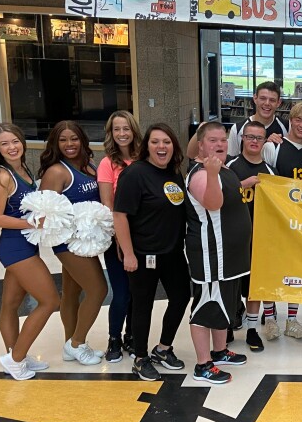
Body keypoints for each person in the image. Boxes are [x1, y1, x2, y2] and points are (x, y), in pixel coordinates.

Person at [113, 123, 192, 382]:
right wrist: (129, 254)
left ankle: (163, 348)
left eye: (167, 142)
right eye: (156, 142)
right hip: (143, 253)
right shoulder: (134, 174)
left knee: (181, 297)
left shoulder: (173, 173)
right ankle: (140, 357)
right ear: (146, 145)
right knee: (142, 306)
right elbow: (120, 215)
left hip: (172, 252)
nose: (161, 147)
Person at [0, 123, 60, 380]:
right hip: (15, 247)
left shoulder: (24, 170)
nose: (12, 147)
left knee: (11, 304)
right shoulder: (3, 177)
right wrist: (29, 223)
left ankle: (16, 354)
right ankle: (15, 358)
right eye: (5, 144)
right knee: (50, 301)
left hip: (27, 244)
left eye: (15, 141)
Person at [185, 122, 251, 384]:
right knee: (206, 306)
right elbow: (213, 202)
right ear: (200, 145)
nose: (220, 144)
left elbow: (229, 194)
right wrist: (212, 174)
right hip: (212, 257)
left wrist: (247, 181)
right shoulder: (202, 174)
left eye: (223, 140)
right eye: (212, 140)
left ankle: (220, 350)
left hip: (229, 258)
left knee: (223, 303)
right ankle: (203, 365)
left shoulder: (222, 169)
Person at [39, 121, 108, 365]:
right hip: (68, 243)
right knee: (99, 289)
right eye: (63, 140)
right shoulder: (57, 172)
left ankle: (70, 345)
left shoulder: (89, 164)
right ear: (55, 144)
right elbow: (43, 213)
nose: (70, 144)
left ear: (83, 140)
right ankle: (78, 342)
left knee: (72, 291)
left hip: (87, 240)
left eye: (74, 139)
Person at [262, 102, 302, 339]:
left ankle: (292, 320)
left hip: (297, 222)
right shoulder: (273, 147)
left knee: (295, 268)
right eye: (298, 120)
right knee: (271, 268)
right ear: (290, 121)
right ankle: (270, 319)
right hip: (273, 219)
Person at [226, 121, 277, 352]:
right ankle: (226, 325)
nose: (254, 141)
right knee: (231, 285)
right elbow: (219, 197)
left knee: (255, 287)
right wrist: (241, 185)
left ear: (265, 140)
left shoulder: (270, 172)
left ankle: (252, 331)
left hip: (260, 240)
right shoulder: (230, 166)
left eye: (259, 137)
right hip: (234, 238)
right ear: (242, 139)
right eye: (250, 137)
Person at [97, 111, 142, 362]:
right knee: (122, 292)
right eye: (117, 129)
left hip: (143, 236)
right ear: (111, 133)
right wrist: (120, 242)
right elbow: (108, 203)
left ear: (134, 130)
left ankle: (132, 335)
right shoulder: (107, 164)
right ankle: (114, 338)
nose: (122, 134)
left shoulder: (143, 159)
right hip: (118, 236)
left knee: (138, 291)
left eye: (126, 128)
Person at [187, 81, 287, 159]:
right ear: (255, 98)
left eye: (272, 100)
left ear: (279, 103)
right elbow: (232, 160)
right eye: (263, 98)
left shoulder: (286, 127)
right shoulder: (238, 129)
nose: (267, 103)